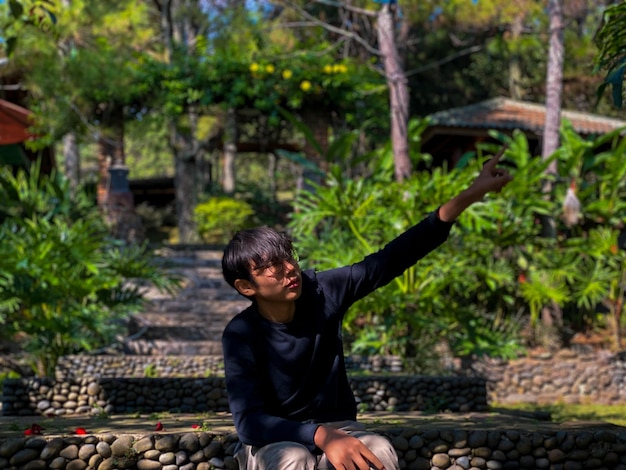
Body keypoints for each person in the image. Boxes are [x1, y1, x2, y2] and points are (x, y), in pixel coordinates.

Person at [221, 150, 513, 470]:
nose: (290, 268)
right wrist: (319, 436)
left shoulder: (323, 291)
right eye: (273, 267)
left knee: (378, 451)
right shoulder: (241, 333)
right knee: (294, 458)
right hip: (277, 440)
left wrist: (469, 196)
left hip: (341, 428)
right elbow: (249, 423)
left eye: (289, 257)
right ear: (246, 287)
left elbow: (393, 258)